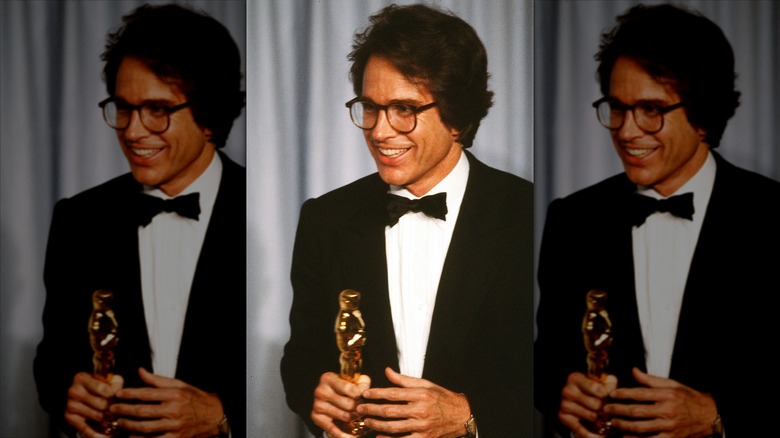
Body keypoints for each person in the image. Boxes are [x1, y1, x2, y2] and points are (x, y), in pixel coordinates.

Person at [280, 4, 533, 437]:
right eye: (371, 108)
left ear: (457, 116)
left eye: (404, 109)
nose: (379, 131)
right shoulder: (326, 218)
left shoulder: (527, 213)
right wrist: (315, 393)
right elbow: (302, 357)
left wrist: (471, 416)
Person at [534, 4, 780, 438]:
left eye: (651, 109)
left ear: (703, 115)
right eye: (617, 107)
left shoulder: (773, 216)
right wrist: (560, 394)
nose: (627, 131)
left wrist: (718, 417)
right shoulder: (573, 220)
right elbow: (547, 359)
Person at [33, 4, 246, 437]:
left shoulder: (267, 212)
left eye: (157, 109)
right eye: (124, 107)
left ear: (209, 116)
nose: (132, 131)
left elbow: (297, 363)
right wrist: (69, 390)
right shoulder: (79, 218)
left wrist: (224, 415)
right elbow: (52, 361)